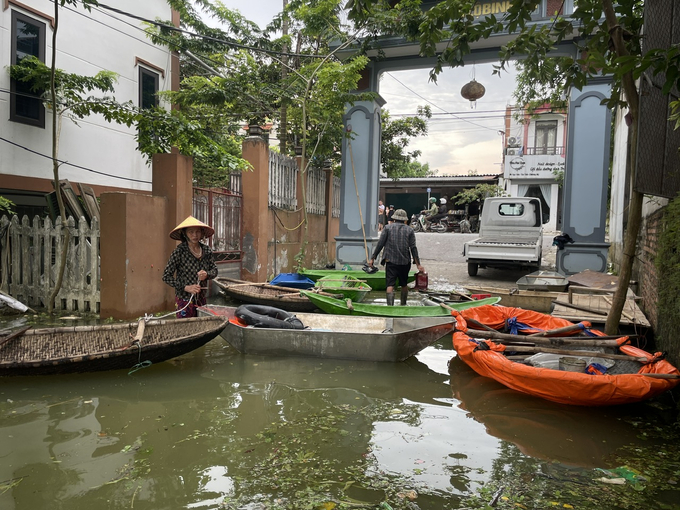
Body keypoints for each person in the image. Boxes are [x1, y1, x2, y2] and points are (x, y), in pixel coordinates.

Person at [162, 216, 218, 318]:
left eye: (197, 232)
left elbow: (214, 271)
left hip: (201, 299)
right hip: (184, 300)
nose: (194, 235)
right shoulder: (179, 252)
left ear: (202, 233)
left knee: (202, 327)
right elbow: (166, 276)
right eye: (191, 232)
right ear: (185, 234)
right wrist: (186, 287)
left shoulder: (207, 250)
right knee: (185, 328)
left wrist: (207, 274)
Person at [367, 208, 425, 306]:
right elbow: (413, 248)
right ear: (405, 220)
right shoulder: (410, 230)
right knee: (404, 284)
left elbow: (380, 244)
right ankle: (403, 304)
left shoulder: (387, 228)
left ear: (394, 219)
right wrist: (418, 265)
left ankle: (390, 307)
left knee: (390, 284)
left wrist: (373, 258)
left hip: (390, 261)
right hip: (405, 262)